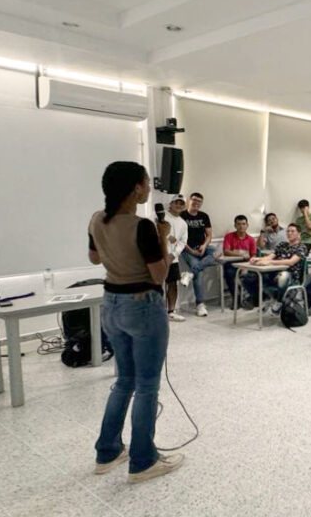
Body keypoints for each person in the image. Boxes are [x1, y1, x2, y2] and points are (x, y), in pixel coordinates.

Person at [88, 162, 184, 483]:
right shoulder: (141, 226)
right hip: (142, 306)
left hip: (111, 304)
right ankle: (143, 460)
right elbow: (158, 275)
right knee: (146, 385)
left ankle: (108, 451)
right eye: (146, 184)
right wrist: (164, 244)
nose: (148, 189)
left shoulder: (96, 220)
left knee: (124, 380)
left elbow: (94, 258)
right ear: (136, 189)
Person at [245, 223, 308, 308]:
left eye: (292, 231)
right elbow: (270, 257)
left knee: (283, 276)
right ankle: (264, 297)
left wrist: (270, 262)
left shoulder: (302, 247)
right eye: (288, 231)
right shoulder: (282, 245)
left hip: (291, 276)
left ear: (299, 233)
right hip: (274, 272)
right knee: (249, 276)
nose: (289, 233)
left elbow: (291, 262)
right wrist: (258, 259)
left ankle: (278, 301)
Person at [179, 192, 218, 317]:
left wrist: (204, 246)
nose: (196, 203)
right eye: (194, 200)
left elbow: (209, 235)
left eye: (199, 201)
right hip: (187, 249)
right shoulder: (182, 215)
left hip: (202, 247)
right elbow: (180, 238)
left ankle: (190, 273)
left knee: (218, 252)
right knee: (199, 273)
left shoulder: (204, 216)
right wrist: (191, 250)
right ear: (189, 200)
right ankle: (200, 305)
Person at [161, 195, 189, 322]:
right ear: (171, 204)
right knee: (156, 285)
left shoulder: (183, 223)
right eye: (176, 203)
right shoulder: (160, 216)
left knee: (172, 284)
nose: (178, 205)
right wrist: (167, 237)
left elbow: (183, 242)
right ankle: (156, 312)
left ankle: (171, 311)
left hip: (173, 258)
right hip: (157, 257)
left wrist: (173, 255)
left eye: (181, 203)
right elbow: (151, 231)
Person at [221, 215, 257, 305]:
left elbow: (253, 255)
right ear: (235, 225)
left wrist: (246, 266)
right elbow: (226, 251)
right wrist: (241, 254)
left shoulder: (251, 239)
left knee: (252, 275)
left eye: (243, 224)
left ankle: (251, 299)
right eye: (239, 224)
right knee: (228, 272)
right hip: (232, 263)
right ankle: (236, 299)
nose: (241, 226)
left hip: (246, 264)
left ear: (247, 225)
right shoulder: (229, 237)